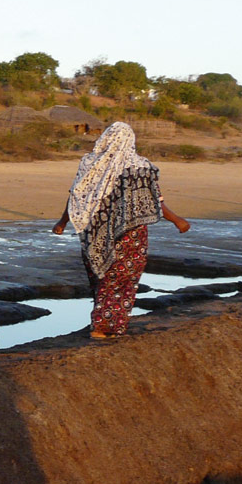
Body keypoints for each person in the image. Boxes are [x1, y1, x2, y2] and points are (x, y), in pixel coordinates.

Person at [52, 122, 190, 338]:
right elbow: (155, 199)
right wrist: (176, 220)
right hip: (130, 232)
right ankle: (105, 325)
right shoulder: (141, 167)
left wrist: (62, 222)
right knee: (122, 278)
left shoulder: (90, 164)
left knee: (102, 276)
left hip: (93, 231)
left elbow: (76, 196)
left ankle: (104, 321)